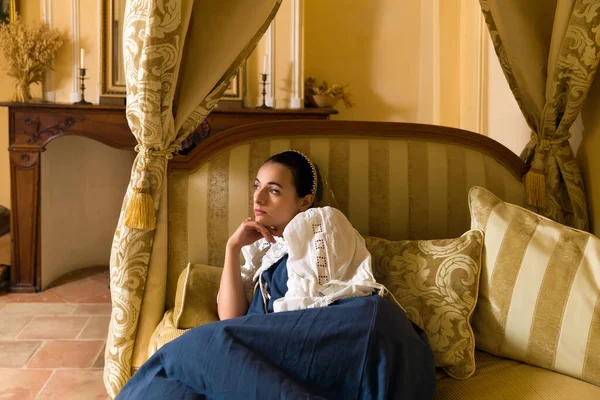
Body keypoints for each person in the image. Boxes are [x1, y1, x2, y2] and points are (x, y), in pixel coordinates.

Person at [117, 151, 436, 400]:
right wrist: (232, 248)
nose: (258, 198)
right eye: (257, 187)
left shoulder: (321, 222)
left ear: (304, 201)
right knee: (171, 386)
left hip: (353, 331)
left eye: (273, 190)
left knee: (190, 348)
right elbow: (229, 318)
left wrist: (252, 350)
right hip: (292, 347)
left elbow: (318, 300)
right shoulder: (259, 253)